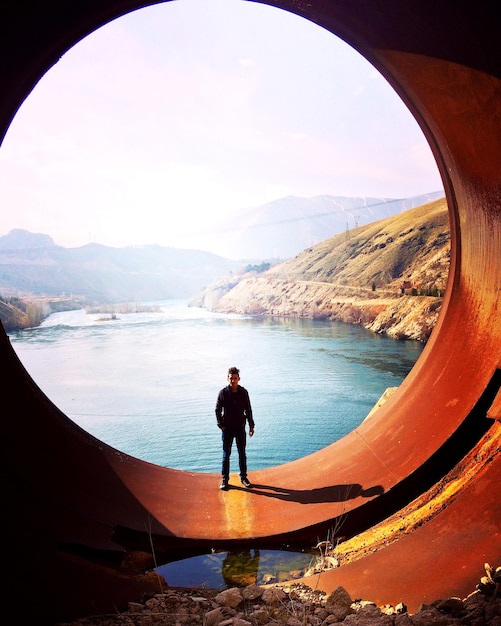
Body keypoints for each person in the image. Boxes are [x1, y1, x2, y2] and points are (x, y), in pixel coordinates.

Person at [215, 366, 255, 490]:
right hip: (227, 429)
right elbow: (217, 409)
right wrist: (220, 424)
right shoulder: (223, 393)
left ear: (239, 379)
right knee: (226, 454)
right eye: (231, 378)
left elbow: (248, 410)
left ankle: (243, 477)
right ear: (227, 378)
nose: (233, 380)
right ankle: (225, 480)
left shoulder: (243, 393)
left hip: (240, 428)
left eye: (235, 378)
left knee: (242, 453)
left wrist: (251, 425)